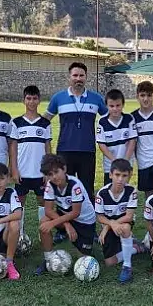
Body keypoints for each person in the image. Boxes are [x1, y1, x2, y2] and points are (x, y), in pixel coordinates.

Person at [44, 62, 108, 203]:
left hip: (88, 151)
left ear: (86, 77)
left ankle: (88, 216)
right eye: (75, 75)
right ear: (69, 77)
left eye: (81, 75)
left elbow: (110, 119)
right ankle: (65, 216)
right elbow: (45, 120)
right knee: (64, 189)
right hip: (64, 151)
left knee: (87, 190)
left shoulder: (96, 98)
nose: (78, 79)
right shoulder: (58, 98)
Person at [35, 154, 97, 275]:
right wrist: (67, 225)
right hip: (65, 216)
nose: (54, 177)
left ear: (64, 169)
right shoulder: (50, 185)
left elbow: (76, 212)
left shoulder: (75, 185)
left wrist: (54, 223)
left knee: (83, 259)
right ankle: (48, 260)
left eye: (56, 172)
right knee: (44, 223)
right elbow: (48, 210)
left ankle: (85, 246)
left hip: (84, 221)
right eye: (50, 174)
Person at [10, 85, 52, 236]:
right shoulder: (16, 123)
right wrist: (14, 169)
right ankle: (20, 235)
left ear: (39, 100)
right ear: (23, 100)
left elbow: (48, 148)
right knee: (20, 202)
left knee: (43, 202)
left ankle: (43, 233)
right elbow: (13, 148)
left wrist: (48, 171)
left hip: (40, 173)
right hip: (22, 171)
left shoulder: (45, 123)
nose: (32, 102)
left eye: (34, 98)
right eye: (28, 98)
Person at [95, 159, 144, 283]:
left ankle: (127, 266)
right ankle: (135, 248)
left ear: (129, 176)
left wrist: (109, 226)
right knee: (109, 263)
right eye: (117, 175)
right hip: (110, 224)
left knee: (125, 228)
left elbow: (129, 216)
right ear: (110, 175)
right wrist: (110, 224)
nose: (120, 179)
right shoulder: (102, 193)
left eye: (124, 176)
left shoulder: (131, 191)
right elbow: (100, 217)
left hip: (124, 223)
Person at [96, 89, 137, 185]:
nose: (115, 109)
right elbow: (102, 145)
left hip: (126, 162)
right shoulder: (102, 122)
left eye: (118, 105)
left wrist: (125, 161)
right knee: (110, 189)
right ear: (106, 106)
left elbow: (132, 141)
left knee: (123, 188)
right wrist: (114, 161)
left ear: (123, 105)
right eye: (111, 106)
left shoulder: (129, 119)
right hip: (110, 164)